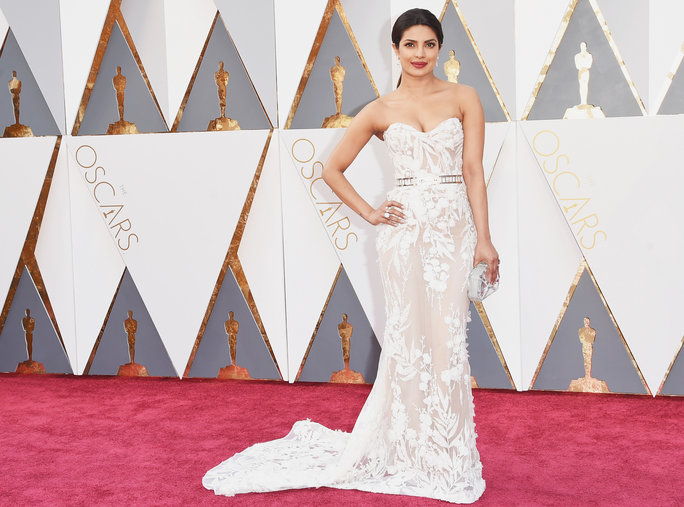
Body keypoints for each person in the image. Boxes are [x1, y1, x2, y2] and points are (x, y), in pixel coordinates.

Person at [202, 8, 499, 504]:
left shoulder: (464, 98)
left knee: (447, 343)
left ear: (440, 48)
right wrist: (371, 212)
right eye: (410, 45)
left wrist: (485, 239)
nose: (420, 53)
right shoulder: (380, 108)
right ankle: (407, 452)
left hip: (453, 232)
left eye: (428, 44)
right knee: (407, 343)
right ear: (397, 49)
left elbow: (473, 171)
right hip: (403, 239)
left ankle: (449, 456)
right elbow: (332, 169)